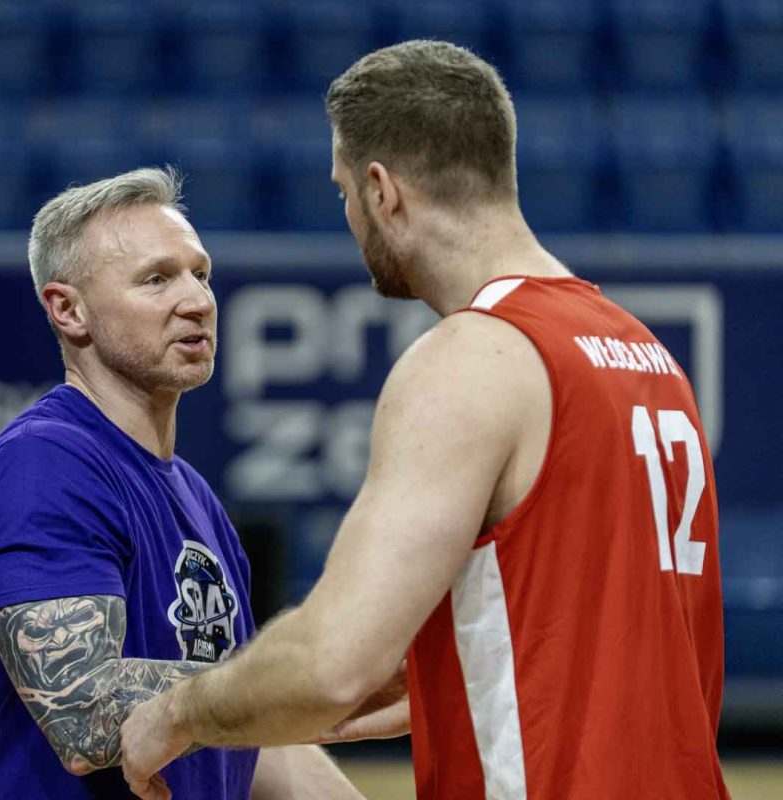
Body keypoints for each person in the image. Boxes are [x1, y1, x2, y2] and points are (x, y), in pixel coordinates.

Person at [120, 41, 729, 800]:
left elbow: (329, 664)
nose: (349, 216)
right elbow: (601, 614)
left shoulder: (472, 356)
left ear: (383, 191)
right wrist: (441, 662)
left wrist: (178, 712)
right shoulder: (645, 354)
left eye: (344, 192)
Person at [0, 167, 364, 799]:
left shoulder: (196, 496)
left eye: (201, 274)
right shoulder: (42, 464)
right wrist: (297, 681)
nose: (198, 301)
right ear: (68, 310)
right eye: (156, 279)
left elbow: (241, 740)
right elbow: (82, 709)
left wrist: (290, 701)